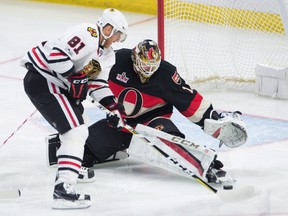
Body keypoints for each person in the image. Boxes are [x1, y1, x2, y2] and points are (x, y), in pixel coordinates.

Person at [47, 39, 247, 186]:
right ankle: (119, 148)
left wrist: (212, 118)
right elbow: (88, 75)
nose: (148, 70)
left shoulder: (166, 74)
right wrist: (70, 79)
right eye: (144, 65)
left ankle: (208, 165)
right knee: (82, 150)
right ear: (135, 58)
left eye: (153, 66)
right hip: (122, 123)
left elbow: (189, 100)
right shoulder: (116, 61)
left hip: (154, 120)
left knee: (167, 141)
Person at [22, 8, 128, 209]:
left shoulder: (106, 56)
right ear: (107, 28)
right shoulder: (88, 32)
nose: (116, 39)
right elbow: (55, 55)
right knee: (76, 131)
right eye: (116, 34)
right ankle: (63, 189)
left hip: (58, 85)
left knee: (79, 124)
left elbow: (97, 84)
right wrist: (74, 76)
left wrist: (113, 108)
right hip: (45, 80)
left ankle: (71, 165)